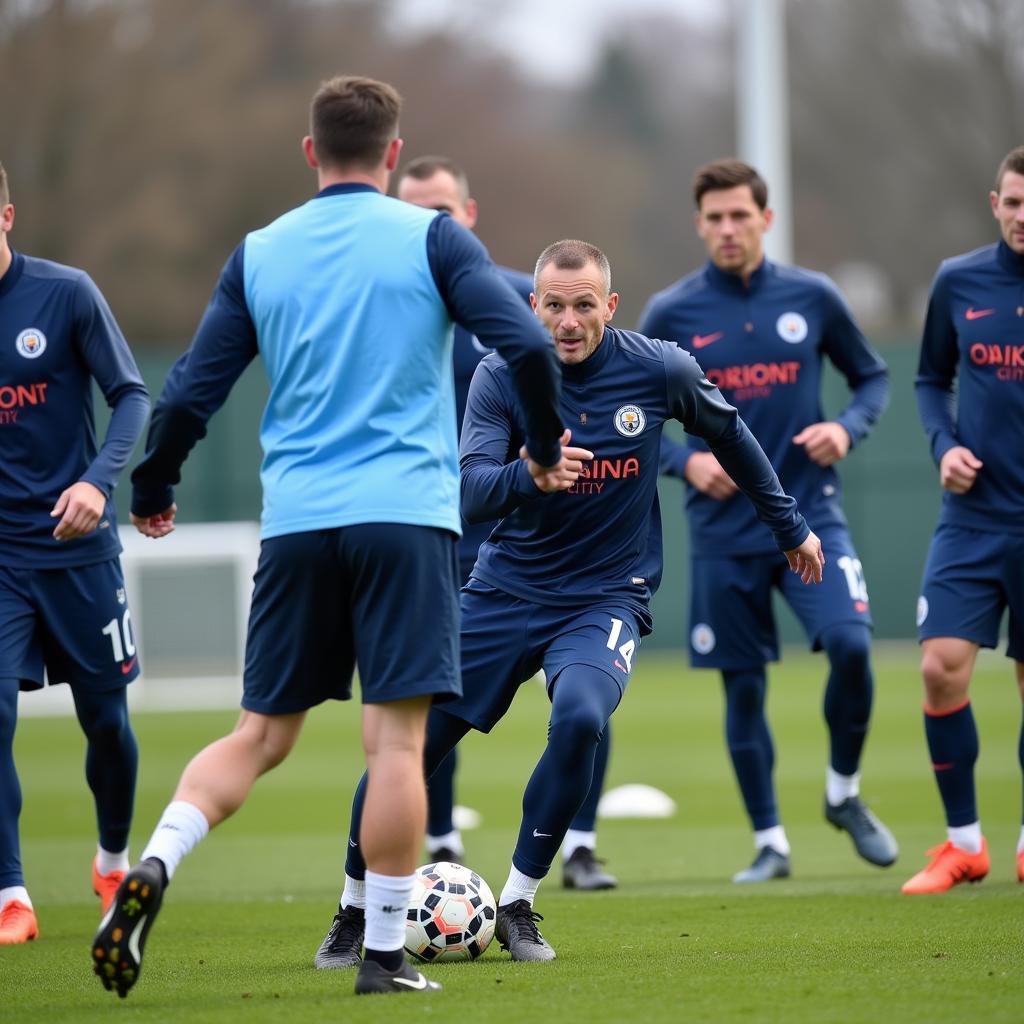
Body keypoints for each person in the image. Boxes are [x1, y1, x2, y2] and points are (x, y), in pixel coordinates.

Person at [89, 75, 563, 998]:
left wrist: (151, 485)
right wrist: (543, 450)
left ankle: (151, 866)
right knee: (394, 746)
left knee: (259, 735)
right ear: (393, 156)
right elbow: (531, 348)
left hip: (300, 523)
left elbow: (190, 391)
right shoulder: (433, 237)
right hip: (406, 521)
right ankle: (383, 958)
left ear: (311, 154)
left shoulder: (261, 250)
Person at [313, 238, 824, 966]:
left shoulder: (660, 368)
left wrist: (790, 527)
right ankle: (353, 908)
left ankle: (519, 901)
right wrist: (528, 476)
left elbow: (731, 432)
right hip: (502, 591)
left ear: (609, 307)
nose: (569, 320)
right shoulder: (501, 375)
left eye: (585, 305)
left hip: (604, 597)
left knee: (581, 715)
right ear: (534, 307)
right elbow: (469, 488)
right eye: (554, 305)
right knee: (410, 748)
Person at [639, 158, 897, 883]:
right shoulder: (670, 313)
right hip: (722, 533)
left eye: (740, 216)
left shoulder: (812, 296)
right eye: (714, 218)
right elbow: (621, 416)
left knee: (850, 644)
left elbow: (873, 376)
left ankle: (842, 794)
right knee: (743, 685)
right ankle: (771, 843)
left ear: (765, 220)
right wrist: (684, 462)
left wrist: (847, 427)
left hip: (811, 516)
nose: (727, 229)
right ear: (699, 225)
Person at [397, 155, 616, 891]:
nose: (431, 223)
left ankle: (576, 844)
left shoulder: (525, 302)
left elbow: (626, 411)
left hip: (523, 523)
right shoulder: (385, 300)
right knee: (428, 707)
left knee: (582, 688)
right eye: (414, 210)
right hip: (427, 527)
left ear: (470, 213)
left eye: (442, 210)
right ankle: (435, 840)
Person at [0, 162, 150, 944]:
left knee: (107, 723)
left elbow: (131, 394)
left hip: (78, 548)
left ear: (8, 216)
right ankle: (10, 895)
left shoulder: (64, 294)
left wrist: (97, 483)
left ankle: (112, 861)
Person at [902, 145, 1024, 894]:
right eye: (1014, 202)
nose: (1023, 217)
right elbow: (927, 378)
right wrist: (944, 444)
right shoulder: (960, 280)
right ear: (995, 203)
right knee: (940, 666)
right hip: (972, 518)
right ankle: (964, 845)